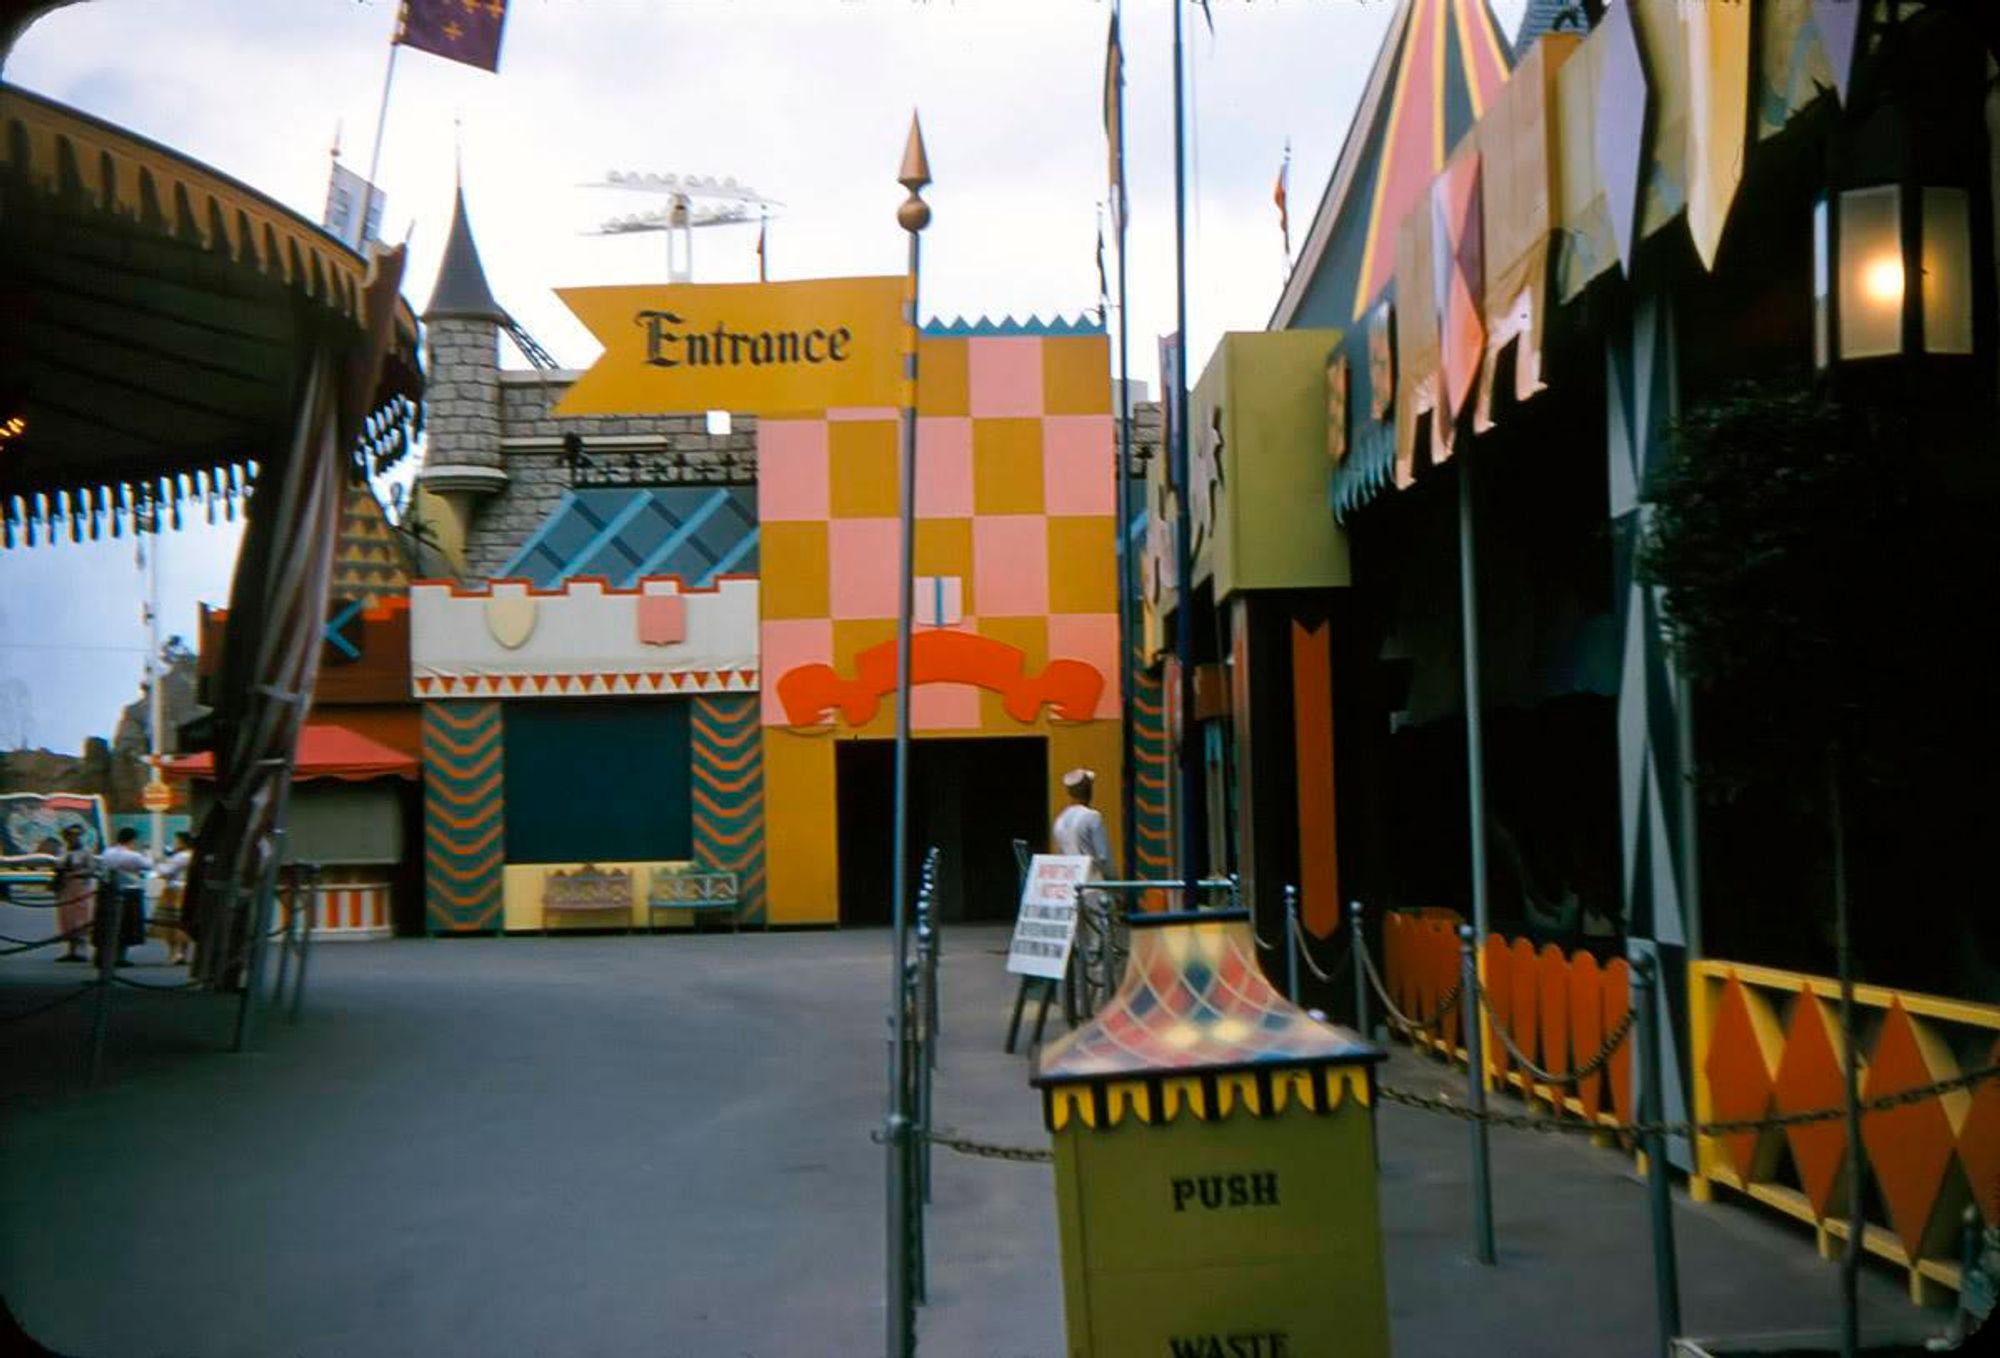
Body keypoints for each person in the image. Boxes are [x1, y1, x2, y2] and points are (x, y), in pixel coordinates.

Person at [96, 827, 151, 968]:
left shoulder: (107, 852)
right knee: (126, 927)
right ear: (132, 840)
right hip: (130, 892)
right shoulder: (133, 856)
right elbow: (148, 865)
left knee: (106, 924)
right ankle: (120, 956)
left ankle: (103, 954)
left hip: (109, 891)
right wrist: (147, 852)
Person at [51, 824, 96, 963]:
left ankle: (80, 949)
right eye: (70, 836)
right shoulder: (62, 850)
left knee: (80, 917)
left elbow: (91, 870)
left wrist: (76, 873)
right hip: (65, 887)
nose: (73, 838)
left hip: (80, 887)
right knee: (66, 916)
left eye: (75, 836)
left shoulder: (86, 852)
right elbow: (58, 867)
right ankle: (70, 949)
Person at [151, 831, 194, 965]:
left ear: (182, 842)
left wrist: (158, 864)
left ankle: (174, 953)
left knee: (171, 923)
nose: (175, 844)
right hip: (188, 890)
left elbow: (165, 871)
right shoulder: (194, 854)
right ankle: (184, 954)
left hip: (174, 891)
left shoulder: (181, 856)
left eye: (177, 841)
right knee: (184, 922)